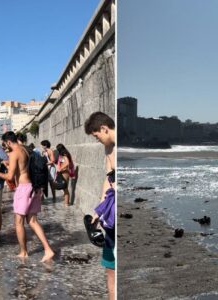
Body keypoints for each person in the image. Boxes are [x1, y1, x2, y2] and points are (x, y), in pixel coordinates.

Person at [0, 131, 55, 261]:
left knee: (18, 222)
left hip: (23, 189)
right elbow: (22, 167)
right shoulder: (26, 149)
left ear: (8, 142)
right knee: (33, 221)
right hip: (33, 187)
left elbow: (10, 176)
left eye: (5, 144)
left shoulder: (13, 153)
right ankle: (48, 249)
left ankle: (23, 252)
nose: (6, 147)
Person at [85, 111, 116, 300]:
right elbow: (108, 178)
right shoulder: (108, 148)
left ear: (104, 128)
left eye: (97, 136)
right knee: (109, 267)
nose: (97, 140)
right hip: (109, 212)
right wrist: (100, 209)